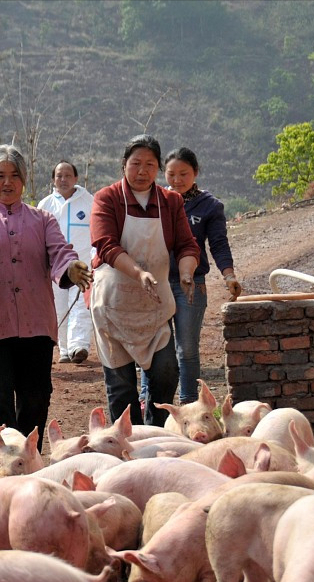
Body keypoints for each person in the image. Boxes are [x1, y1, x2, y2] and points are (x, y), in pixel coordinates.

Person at [0, 145, 91, 435]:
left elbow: (60, 252)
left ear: (24, 180)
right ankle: (2, 474)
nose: (7, 182)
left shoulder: (42, 220)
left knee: (35, 403)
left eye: (14, 175)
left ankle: (31, 470)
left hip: (36, 326)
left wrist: (71, 268)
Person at [89, 134, 200, 426]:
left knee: (166, 371)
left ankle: (154, 431)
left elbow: (187, 246)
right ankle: (128, 443)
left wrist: (187, 272)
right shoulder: (108, 198)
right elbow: (106, 245)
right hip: (114, 304)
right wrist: (138, 273)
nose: (142, 171)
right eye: (135, 163)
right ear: (123, 165)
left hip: (153, 305)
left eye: (150, 164)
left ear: (158, 169)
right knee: (121, 384)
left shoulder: (170, 202)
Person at [162, 147, 241, 402]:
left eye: (183, 174)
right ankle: (150, 402)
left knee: (186, 349)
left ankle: (188, 403)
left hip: (191, 285)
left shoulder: (209, 206)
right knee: (156, 350)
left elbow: (218, 244)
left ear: (196, 173)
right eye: (171, 174)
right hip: (156, 284)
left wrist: (229, 276)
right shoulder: (155, 202)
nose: (177, 180)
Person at [37, 161, 95, 364]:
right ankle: (63, 349)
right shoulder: (45, 206)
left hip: (83, 265)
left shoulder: (89, 202)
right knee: (58, 308)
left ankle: (79, 346)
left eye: (68, 175)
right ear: (53, 179)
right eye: (59, 176)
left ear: (76, 178)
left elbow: (97, 232)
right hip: (55, 269)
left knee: (80, 305)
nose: (63, 179)